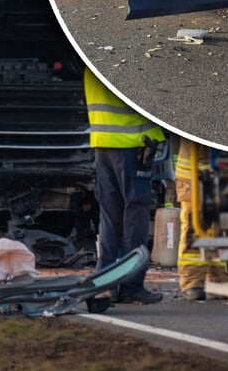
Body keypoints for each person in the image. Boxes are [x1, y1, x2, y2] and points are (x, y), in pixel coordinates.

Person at [84, 67, 165, 305]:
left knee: (109, 217)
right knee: (135, 216)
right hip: (132, 144)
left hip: (103, 143)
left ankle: (106, 282)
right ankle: (131, 284)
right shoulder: (120, 66)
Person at [175, 138, 228, 300]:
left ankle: (219, 280)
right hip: (194, 172)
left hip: (221, 171)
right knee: (195, 227)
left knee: (221, 227)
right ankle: (192, 282)